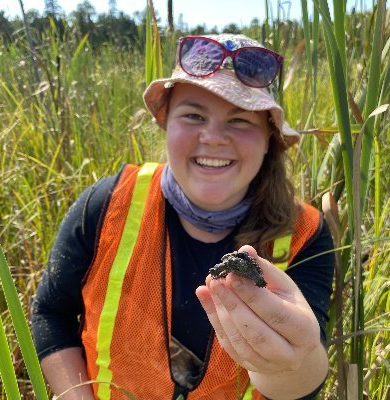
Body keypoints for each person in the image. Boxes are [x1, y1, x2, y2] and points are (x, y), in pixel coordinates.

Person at [31, 34, 334, 400]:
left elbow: (306, 374)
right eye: (193, 115)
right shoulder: (105, 204)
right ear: (166, 123)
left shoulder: (305, 233)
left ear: (269, 139)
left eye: (240, 120)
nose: (213, 137)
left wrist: (291, 362)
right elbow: (50, 313)